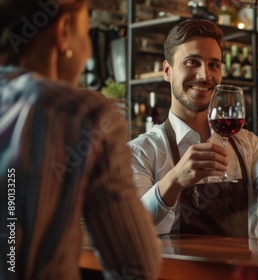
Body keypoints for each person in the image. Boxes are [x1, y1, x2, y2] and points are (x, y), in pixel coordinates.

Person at [128, 19, 258, 239]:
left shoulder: (249, 144)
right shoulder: (142, 152)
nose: (204, 75)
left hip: (244, 272)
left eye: (214, 65)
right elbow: (129, 226)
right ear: (167, 71)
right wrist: (175, 180)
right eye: (191, 62)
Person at [0, 0, 161, 279]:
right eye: (86, 32)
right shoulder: (83, 114)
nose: (87, 50)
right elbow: (136, 268)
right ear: (63, 32)